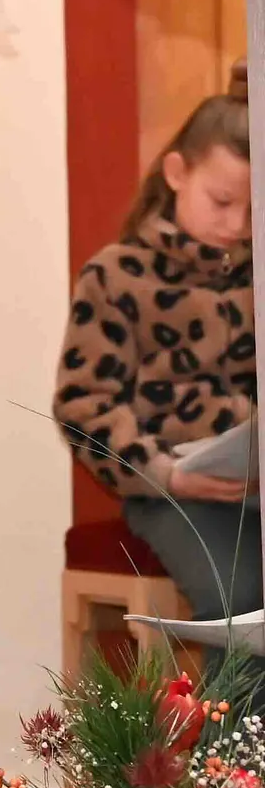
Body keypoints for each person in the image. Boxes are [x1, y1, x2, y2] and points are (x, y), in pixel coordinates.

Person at [57, 86, 258, 624]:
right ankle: (236, 688)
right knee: (242, 598)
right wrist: (166, 475)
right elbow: (82, 406)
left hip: (256, 489)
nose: (236, 226)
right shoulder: (117, 275)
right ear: (176, 173)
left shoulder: (256, 274)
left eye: (252, 208)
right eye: (222, 202)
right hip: (169, 492)